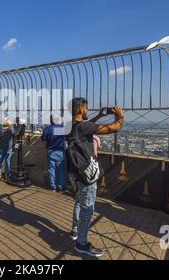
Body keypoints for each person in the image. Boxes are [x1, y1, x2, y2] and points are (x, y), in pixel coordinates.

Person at [66, 99, 124, 258]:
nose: (88, 110)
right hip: (87, 175)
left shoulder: (68, 126)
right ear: (82, 109)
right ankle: (82, 244)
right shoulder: (84, 127)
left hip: (76, 174)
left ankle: (75, 231)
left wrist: (98, 116)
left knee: (79, 202)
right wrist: (119, 116)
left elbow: (85, 126)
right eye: (87, 108)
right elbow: (114, 128)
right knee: (88, 209)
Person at [41, 114, 66, 192]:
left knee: (51, 169)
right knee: (61, 170)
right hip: (60, 151)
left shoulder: (47, 128)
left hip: (51, 151)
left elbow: (43, 138)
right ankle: (61, 187)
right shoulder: (62, 128)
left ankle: (53, 187)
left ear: (51, 120)